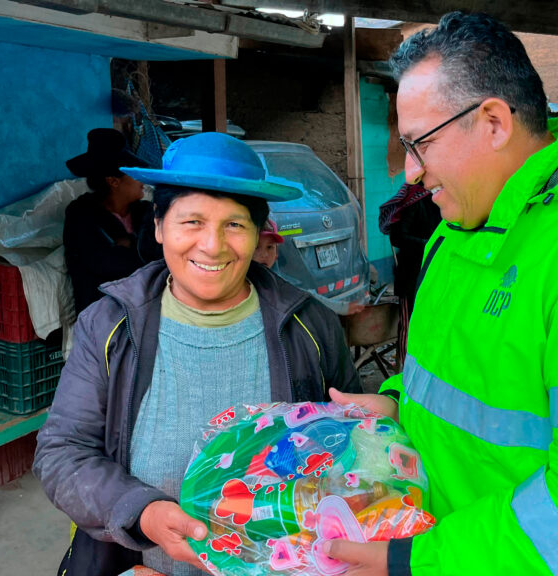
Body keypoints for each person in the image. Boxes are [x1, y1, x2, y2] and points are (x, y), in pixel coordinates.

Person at [322, 12, 558, 576]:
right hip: (455, 546)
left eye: (419, 144)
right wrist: (396, 404)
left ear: (494, 122)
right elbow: (456, 374)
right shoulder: (457, 230)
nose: (410, 174)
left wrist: (418, 562)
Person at [34, 132, 362, 576]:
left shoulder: (310, 326)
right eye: (192, 222)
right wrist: (142, 512)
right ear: (158, 226)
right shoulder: (109, 325)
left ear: (257, 234)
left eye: (235, 225)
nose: (212, 245)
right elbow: (62, 452)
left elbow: (350, 448)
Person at [64, 128, 163, 313]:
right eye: (133, 173)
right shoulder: (81, 214)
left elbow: (162, 254)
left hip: (149, 305)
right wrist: (140, 252)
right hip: (103, 312)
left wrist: (127, 245)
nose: (141, 179)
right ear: (113, 181)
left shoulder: (146, 212)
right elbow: (103, 262)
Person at [378, 182, 443, 366]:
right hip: (411, 276)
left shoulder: (445, 202)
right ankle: (404, 371)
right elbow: (397, 237)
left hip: (435, 274)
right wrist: (429, 245)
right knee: (409, 326)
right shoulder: (414, 200)